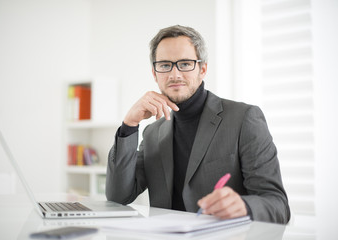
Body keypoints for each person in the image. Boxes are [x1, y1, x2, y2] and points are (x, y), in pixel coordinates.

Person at [105, 25, 290, 224]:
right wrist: (129, 125)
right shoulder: (152, 132)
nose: (174, 75)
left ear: (202, 69)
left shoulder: (244, 118)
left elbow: (278, 205)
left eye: (185, 64)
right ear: (154, 73)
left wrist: (244, 207)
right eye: (165, 65)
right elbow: (118, 196)